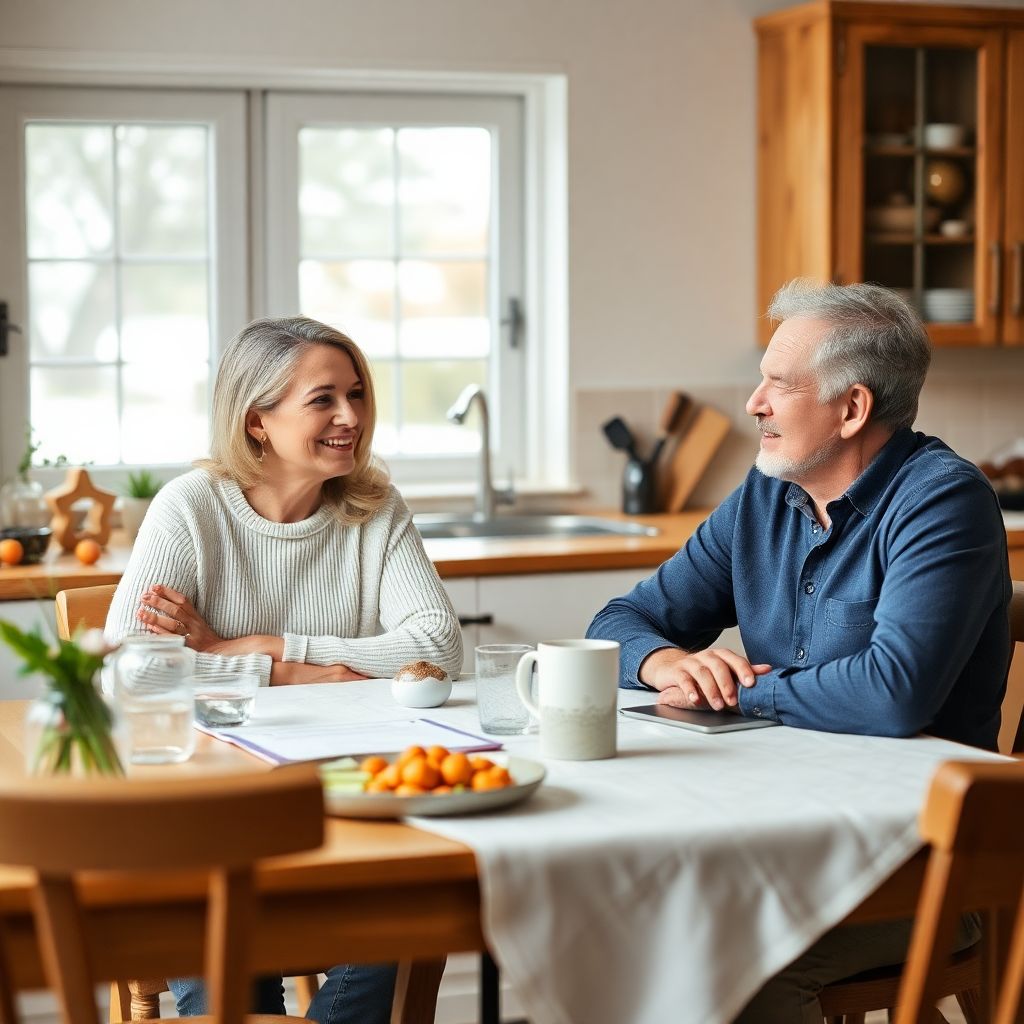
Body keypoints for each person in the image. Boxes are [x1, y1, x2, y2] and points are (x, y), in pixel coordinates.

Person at [587, 280, 1011, 1022]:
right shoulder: (763, 496)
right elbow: (620, 621)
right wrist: (669, 664)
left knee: (722, 970)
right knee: (627, 928)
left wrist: (741, 688)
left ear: (852, 409)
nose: (753, 402)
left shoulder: (944, 501)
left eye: (779, 385)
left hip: (915, 865)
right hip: (778, 836)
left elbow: (891, 692)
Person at [106, 315, 464, 1024]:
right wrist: (295, 673)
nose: (351, 417)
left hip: (343, 799)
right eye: (323, 399)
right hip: (204, 812)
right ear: (257, 421)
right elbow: (129, 676)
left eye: (356, 394)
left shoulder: (374, 510)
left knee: (403, 899)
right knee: (221, 962)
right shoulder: (191, 509)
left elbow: (438, 648)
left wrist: (252, 647)